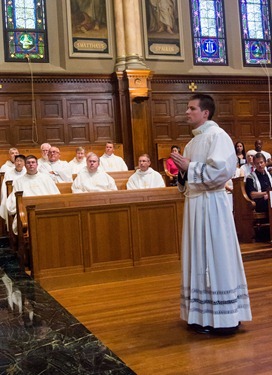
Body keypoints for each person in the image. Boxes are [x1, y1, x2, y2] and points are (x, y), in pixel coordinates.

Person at [170, 93, 252, 335]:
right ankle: (200, 315)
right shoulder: (192, 142)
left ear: (205, 113)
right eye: (187, 108)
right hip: (195, 206)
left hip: (212, 205)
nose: (187, 112)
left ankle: (226, 319)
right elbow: (187, 179)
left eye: (191, 108)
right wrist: (184, 172)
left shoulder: (218, 136)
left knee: (216, 257)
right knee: (197, 257)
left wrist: (190, 167)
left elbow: (221, 172)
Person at [6, 155, 60, 235]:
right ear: (25, 165)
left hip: (45, 211)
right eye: (28, 163)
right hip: (26, 213)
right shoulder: (19, 181)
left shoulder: (46, 178)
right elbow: (13, 202)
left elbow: (56, 196)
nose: (31, 164)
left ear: (37, 165)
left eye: (33, 162)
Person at [0, 154, 26, 225]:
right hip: (12, 196)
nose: (19, 163)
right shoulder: (9, 174)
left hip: (25, 195)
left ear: (24, 163)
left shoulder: (27, 172)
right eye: (17, 161)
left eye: (21, 161)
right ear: (14, 162)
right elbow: (4, 188)